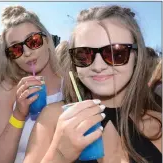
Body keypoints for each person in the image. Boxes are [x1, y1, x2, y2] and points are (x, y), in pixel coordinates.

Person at [24, 5, 162, 163]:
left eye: (115, 53)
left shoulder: (158, 124)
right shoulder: (53, 118)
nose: (98, 66)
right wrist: (60, 154)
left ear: (137, 57)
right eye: (83, 54)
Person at [0, 5, 63, 163]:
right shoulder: (8, 89)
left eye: (33, 41)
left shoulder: (70, 84)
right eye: (16, 49)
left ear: (47, 39)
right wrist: (19, 115)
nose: (27, 52)